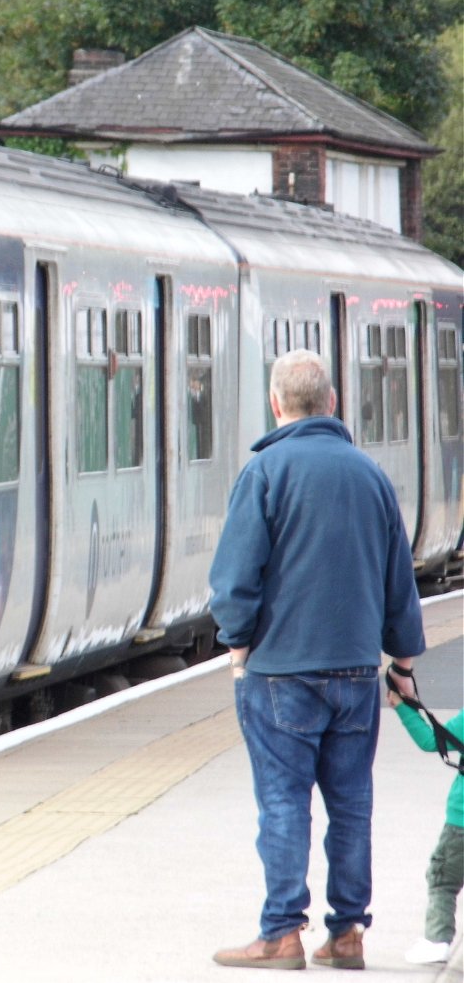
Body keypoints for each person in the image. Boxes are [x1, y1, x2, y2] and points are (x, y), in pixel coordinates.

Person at [209, 349, 425, 971]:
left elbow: (234, 580)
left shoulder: (265, 473)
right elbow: (399, 586)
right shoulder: (370, 476)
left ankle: (281, 933)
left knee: (283, 803)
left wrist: (238, 644)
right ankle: (349, 933)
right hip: (357, 674)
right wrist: (403, 666)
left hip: (280, 675)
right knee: (351, 806)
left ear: (277, 406)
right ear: (332, 403)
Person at [386, 684, 462, 965]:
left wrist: (402, 706)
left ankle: (436, 940)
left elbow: (432, 741)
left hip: (462, 821)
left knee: (443, 879)